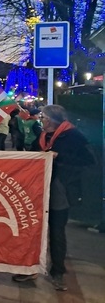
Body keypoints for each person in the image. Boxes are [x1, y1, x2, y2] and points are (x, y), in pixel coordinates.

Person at [12, 105, 96, 291]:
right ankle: (30, 267)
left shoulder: (73, 136)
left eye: (43, 117)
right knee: (34, 229)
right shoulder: (42, 136)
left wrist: (60, 157)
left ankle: (58, 272)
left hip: (61, 191)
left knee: (56, 232)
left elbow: (89, 160)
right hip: (39, 189)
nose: (41, 119)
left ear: (51, 119)